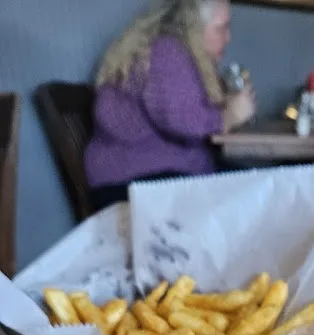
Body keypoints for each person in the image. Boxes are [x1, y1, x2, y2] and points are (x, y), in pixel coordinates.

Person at [85, 0, 255, 210]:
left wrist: (224, 105)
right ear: (194, 27)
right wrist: (229, 115)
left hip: (151, 177)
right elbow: (185, 122)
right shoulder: (166, 51)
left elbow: (181, 111)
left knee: (256, 182)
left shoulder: (171, 52)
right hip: (133, 184)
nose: (228, 37)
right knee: (258, 190)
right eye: (221, 28)